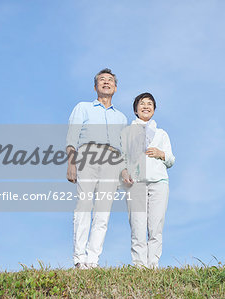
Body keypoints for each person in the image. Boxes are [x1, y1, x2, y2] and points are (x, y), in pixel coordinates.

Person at [66, 68, 127, 269]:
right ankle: (79, 258)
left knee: (103, 211)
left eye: (110, 80)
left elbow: (123, 147)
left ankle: (92, 261)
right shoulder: (83, 107)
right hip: (87, 154)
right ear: (95, 87)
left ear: (115, 88)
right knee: (84, 205)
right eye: (102, 80)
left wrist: (124, 170)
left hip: (112, 159)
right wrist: (71, 163)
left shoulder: (121, 117)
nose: (106, 82)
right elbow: (72, 137)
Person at [121, 92, 175, 269]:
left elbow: (171, 160)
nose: (146, 106)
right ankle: (139, 265)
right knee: (137, 224)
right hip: (135, 183)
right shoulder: (127, 132)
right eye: (142, 103)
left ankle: (153, 265)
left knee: (155, 225)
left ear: (154, 109)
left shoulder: (162, 134)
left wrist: (161, 154)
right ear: (136, 110)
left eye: (150, 103)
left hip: (159, 182)